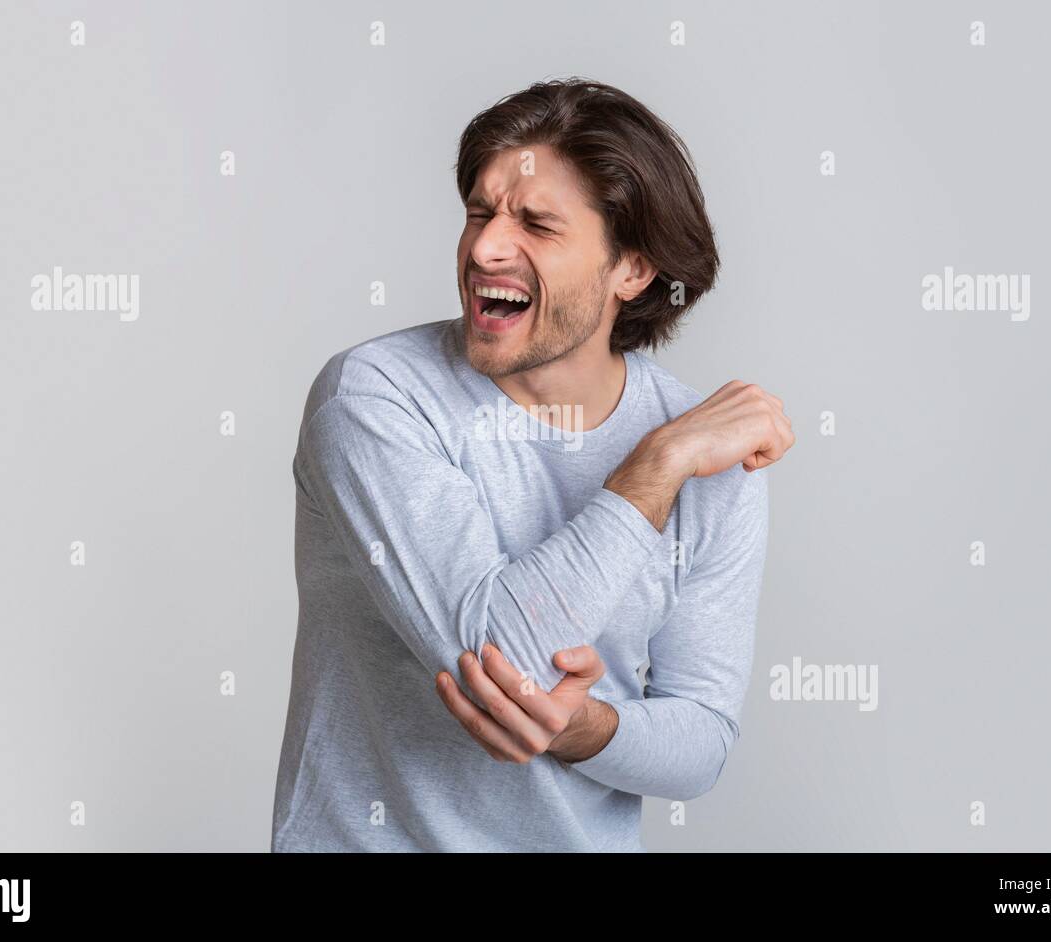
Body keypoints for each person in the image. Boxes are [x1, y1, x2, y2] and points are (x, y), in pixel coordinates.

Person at [272, 78, 795, 852]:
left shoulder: (706, 452)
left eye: (536, 224)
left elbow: (702, 740)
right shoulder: (374, 400)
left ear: (632, 270)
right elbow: (499, 660)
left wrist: (587, 731)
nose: (485, 247)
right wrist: (654, 467)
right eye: (480, 212)